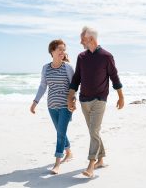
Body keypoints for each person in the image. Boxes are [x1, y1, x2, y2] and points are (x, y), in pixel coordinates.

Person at [67, 26, 124, 178]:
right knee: (94, 131)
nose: (80, 42)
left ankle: (91, 164)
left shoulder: (106, 56)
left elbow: (114, 77)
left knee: (93, 131)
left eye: (82, 39)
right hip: (84, 100)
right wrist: (70, 97)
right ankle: (101, 159)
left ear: (90, 39)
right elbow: (76, 78)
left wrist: (121, 96)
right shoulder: (81, 57)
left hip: (100, 99)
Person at [30, 39, 74, 175]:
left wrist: (73, 101)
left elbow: (74, 86)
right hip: (51, 105)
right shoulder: (45, 68)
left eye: (64, 49)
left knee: (60, 134)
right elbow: (43, 86)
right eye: (60, 49)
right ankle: (69, 152)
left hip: (65, 106)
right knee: (60, 132)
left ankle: (57, 163)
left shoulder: (67, 67)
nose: (63, 52)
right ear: (52, 51)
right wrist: (35, 102)